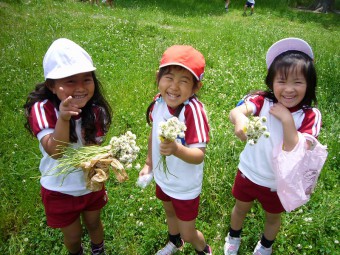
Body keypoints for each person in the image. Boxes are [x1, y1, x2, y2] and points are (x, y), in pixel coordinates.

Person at [224, 38, 321, 255]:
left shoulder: (309, 115)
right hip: (248, 173)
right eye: (281, 81)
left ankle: (265, 245)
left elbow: (295, 150)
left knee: (273, 217)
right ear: (271, 81)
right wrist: (240, 121)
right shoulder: (262, 101)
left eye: (298, 82)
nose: (288, 89)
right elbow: (236, 111)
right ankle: (233, 235)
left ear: (309, 83)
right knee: (240, 208)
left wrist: (287, 120)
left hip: (279, 183)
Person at [24, 38, 112, 255]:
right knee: (72, 236)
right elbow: (56, 151)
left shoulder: (96, 111)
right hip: (59, 188)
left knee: (94, 223)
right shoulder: (42, 109)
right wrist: (63, 119)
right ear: (51, 85)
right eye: (70, 81)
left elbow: (93, 147)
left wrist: (105, 159)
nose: (81, 87)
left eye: (86, 79)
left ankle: (98, 250)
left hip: (89, 184)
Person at [139, 45, 212, 255]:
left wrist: (176, 149)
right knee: (169, 213)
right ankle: (174, 242)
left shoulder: (193, 111)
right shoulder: (158, 102)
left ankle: (203, 248)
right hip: (163, 177)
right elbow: (153, 134)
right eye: (169, 77)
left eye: (184, 81)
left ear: (196, 87)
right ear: (158, 78)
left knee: (188, 232)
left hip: (184, 186)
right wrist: (149, 163)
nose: (174, 86)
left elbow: (198, 156)